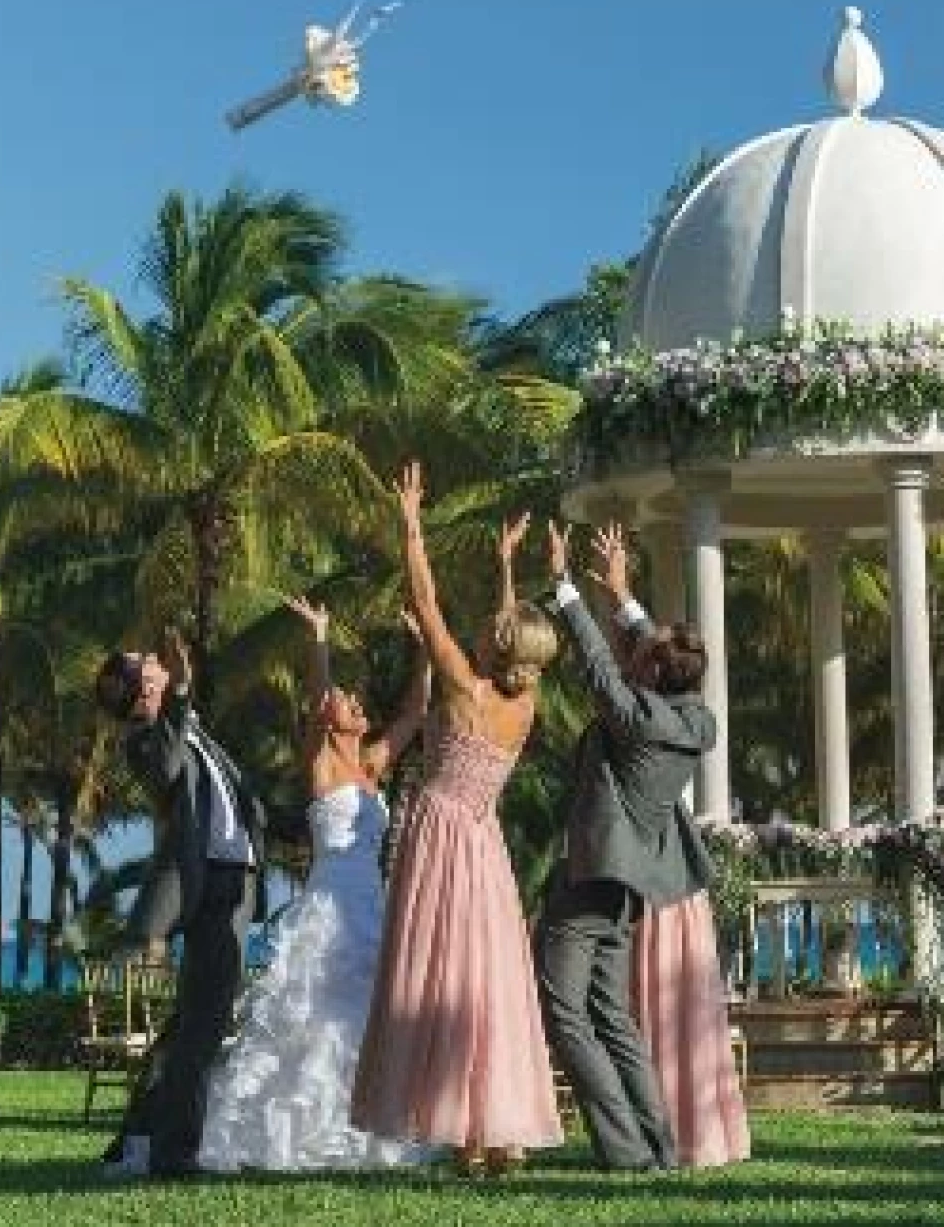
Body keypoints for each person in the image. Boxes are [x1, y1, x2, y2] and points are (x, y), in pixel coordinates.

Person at [349, 464, 564, 1176]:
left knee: (438, 974)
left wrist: (412, 522)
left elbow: (425, 596)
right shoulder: (522, 705)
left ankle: (463, 1131)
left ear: (496, 643)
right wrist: (506, 566)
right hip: (484, 839)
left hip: (440, 834)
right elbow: (515, 634)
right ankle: (496, 1133)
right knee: (487, 979)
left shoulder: (465, 686)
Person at [196, 597, 433, 1173]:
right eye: (347, 700)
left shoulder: (373, 764)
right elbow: (320, 697)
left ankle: (367, 1129)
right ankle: (292, 1133)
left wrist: (425, 645)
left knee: (369, 1014)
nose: (354, 702)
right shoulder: (320, 762)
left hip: (371, 904)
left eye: (354, 699)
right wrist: (320, 639)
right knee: (313, 1015)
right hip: (329, 902)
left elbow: (418, 711)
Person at [535, 521, 718, 1172]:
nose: (634, 645)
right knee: (610, 1013)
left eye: (642, 647)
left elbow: (597, 664)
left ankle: (625, 1150)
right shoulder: (693, 719)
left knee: (565, 1008)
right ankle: (659, 1147)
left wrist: (563, 587)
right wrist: (622, 592)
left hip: (592, 877)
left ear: (650, 672)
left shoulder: (637, 718)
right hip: (630, 881)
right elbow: (654, 655)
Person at [96, 627, 268, 1180]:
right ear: (143, 686)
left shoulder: (192, 731)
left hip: (235, 881)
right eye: (146, 660)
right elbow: (168, 770)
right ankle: (172, 1154)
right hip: (205, 885)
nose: (157, 659)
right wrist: (181, 693)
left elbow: (242, 800)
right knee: (200, 1028)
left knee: (196, 1025)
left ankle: (142, 1139)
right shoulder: (146, 736)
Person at [631, 891, 750, 1167]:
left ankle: (679, 1132)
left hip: (659, 899)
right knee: (689, 1015)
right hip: (678, 901)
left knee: (680, 1012)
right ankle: (691, 1132)